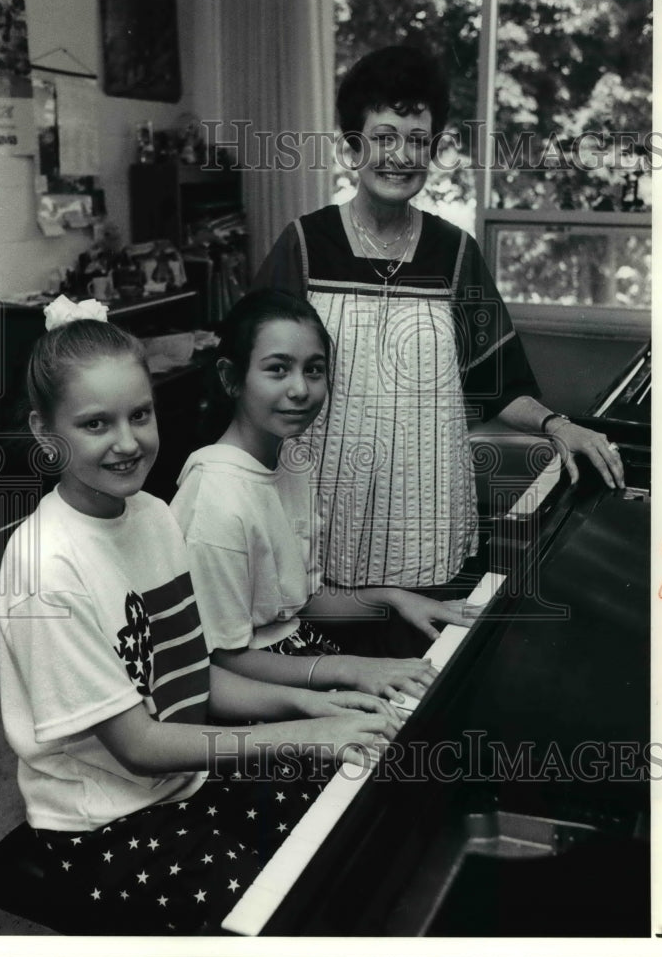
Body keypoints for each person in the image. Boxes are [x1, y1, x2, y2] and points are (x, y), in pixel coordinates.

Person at [0, 296, 401, 936]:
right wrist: (293, 737)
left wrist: (313, 709)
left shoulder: (152, 517)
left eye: (140, 415)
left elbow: (189, 676)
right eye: (95, 424)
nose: (128, 442)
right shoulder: (44, 571)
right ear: (47, 434)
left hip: (185, 778)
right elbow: (139, 746)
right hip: (103, 821)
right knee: (284, 912)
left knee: (347, 830)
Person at [252, 44, 625, 591]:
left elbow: (497, 384)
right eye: (383, 137)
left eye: (418, 141)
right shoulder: (305, 245)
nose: (401, 156)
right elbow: (252, 379)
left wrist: (559, 425)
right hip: (318, 514)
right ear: (352, 147)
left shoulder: (454, 254)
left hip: (422, 523)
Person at [170, 290, 479, 705]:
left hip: (299, 655)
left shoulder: (293, 460)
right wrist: (350, 668)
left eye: (314, 370)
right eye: (278, 369)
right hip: (248, 691)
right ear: (231, 378)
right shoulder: (216, 497)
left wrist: (393, 597)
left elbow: (301, 599)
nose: (300, 389)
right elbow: (219, 660)